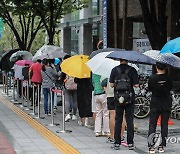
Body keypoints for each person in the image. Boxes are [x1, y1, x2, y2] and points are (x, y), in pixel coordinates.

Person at [109, 59, 139, 150]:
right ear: (127, 60)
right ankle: (130, 143)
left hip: (118, 99)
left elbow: (111, 85)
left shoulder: (114, 70)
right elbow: (136, 85)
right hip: (129, 98)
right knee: (129, 120)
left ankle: (117, 143)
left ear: (119, 60)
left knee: (118, 119)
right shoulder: (132, 70)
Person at [147, 62, 173, 154]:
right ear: (165, 68)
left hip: (155, 103)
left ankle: (151, 147)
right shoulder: (168, 78)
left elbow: (150, 88)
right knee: (164, 125)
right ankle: (162, 146)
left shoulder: (152, 78)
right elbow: (170, 88)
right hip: (166, 102)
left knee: (152, 125)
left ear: (156, 67)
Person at [104, 80, 126, 144]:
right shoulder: (127, 70)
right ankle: (121, 136)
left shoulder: (110, 71)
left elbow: (104, 82)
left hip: (111, 94)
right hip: (123, 94)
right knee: (122, 115)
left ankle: (112, 136)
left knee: (112, 115)